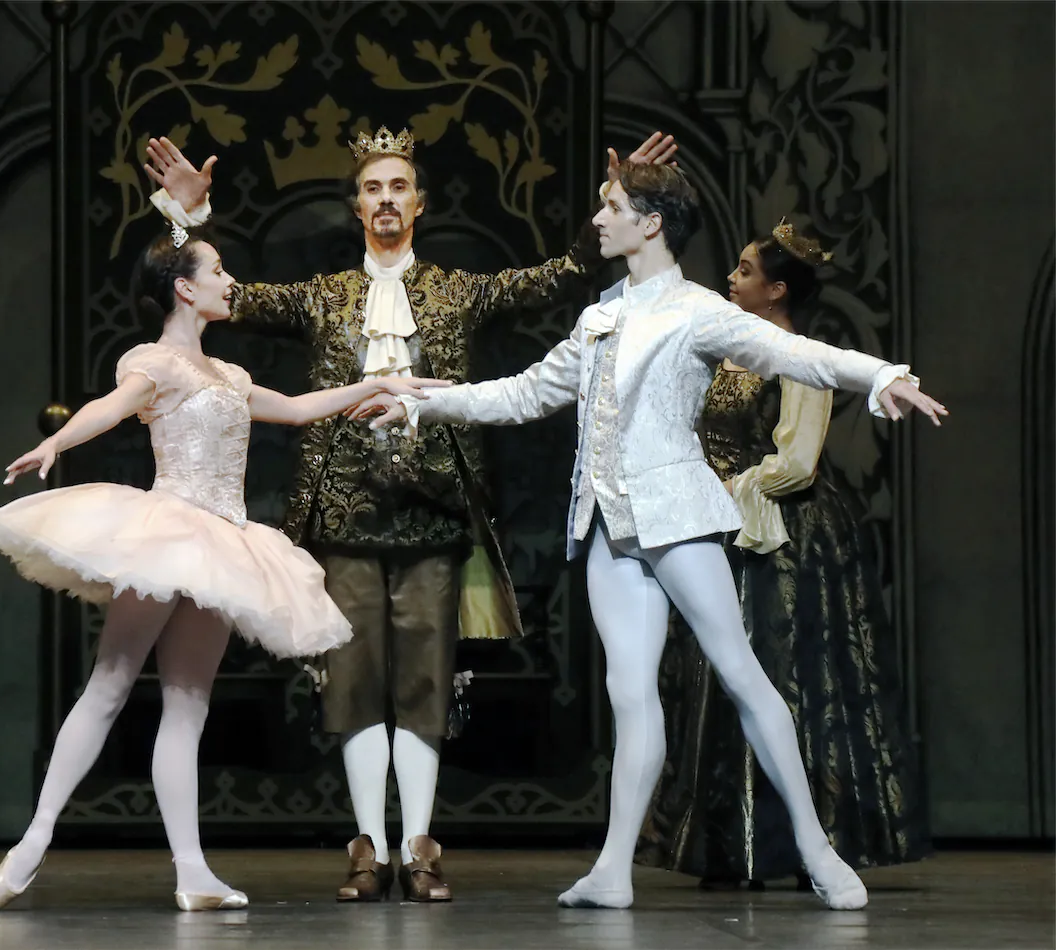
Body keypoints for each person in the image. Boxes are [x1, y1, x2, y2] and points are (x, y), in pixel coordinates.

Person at [354, 162, 947, 910]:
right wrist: (426, 405)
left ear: (651, 221)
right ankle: (613, 869)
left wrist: (880, 374)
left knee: (741, 672)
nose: (598, 221)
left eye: (611, 207)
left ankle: (816, 846)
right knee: (630, 695)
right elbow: (530, 390)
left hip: (677, 516)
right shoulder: (601, 311)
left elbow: (797, 354)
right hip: (608, 525)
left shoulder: (698, 311)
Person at [141, 127, 678, 901]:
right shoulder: (324, 296)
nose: (386, 199)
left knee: (426, 681)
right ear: (356, 205)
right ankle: (368, 847)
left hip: (434, 512)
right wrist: (186, 223)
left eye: (399, 187)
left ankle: (420, 844)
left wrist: (621, 194)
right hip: (343, 512)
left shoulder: (459, 290)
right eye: (372, 188)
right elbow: (216, 295)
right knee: (353, 681)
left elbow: (559, 275)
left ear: (419, 204)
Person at [0, 225, 448, 912]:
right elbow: (111, 409)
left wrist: (376, 382)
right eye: (219, 271)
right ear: (184, 287)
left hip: (223, 542)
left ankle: (192, 871)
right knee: (109, 683)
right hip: (169, 530)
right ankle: (32, 842)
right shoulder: (156, 363)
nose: (231, 282)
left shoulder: (229, 375)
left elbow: (291, 410)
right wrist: (56, 439)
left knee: (189, 705)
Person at [635, 221, 932, 887]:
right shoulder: (720, 352)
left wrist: (728, 489)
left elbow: (795, 462)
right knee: (718, 676)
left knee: (791, 677)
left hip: (784, 534)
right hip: (720, 527)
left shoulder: (797, 356)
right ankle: (730, 845)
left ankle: (806, 843)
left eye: (744, 271)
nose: (731, 279)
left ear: (774, 290)